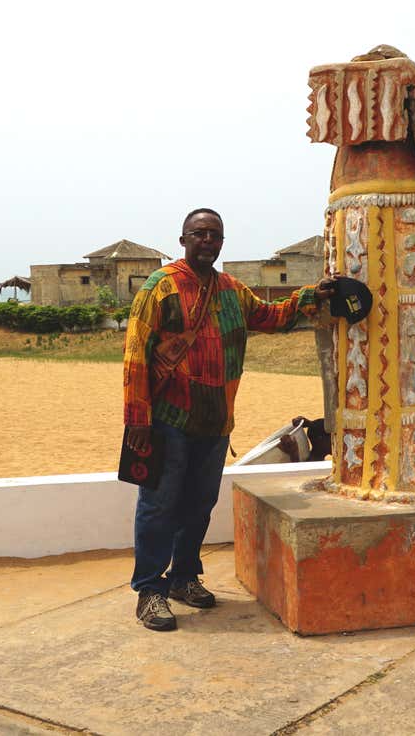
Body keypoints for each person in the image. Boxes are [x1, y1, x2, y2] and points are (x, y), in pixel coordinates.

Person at [122, 208, 336, 631]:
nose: (207, 240)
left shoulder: (232, 291)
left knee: (199, 504)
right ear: (183, 239)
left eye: (214, 235)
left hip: (216, 421)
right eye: (198, 233)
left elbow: (270, 317)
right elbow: (135, 358)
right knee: (159, 505)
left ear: (222, 243)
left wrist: (312, 296)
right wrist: (138, 421)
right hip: (167, 419)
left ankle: (183, 578)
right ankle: (149, 590)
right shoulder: (159, 288)